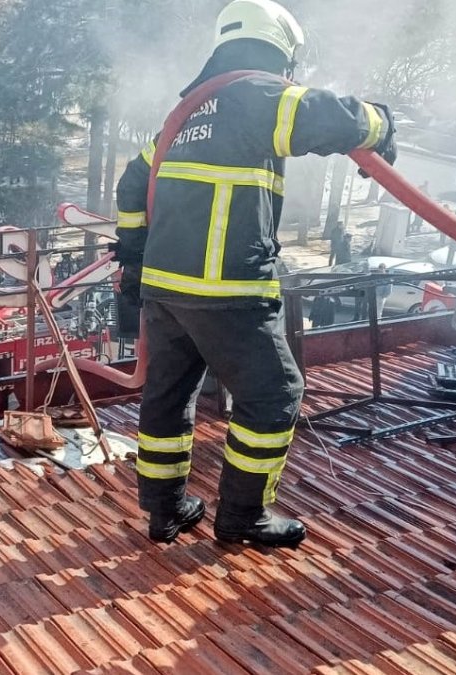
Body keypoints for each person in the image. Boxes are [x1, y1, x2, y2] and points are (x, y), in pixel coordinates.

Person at [114, 0, 397, 548]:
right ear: (280, 50)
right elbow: (328, 116)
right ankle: (244, 515)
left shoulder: (185, 115)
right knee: (274, 394)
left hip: (166, 290)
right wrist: (383, 123)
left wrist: (135, 259)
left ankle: (166, 511)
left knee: (168, 398)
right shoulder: (256, 94)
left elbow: (131, 183)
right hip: (228, 289)